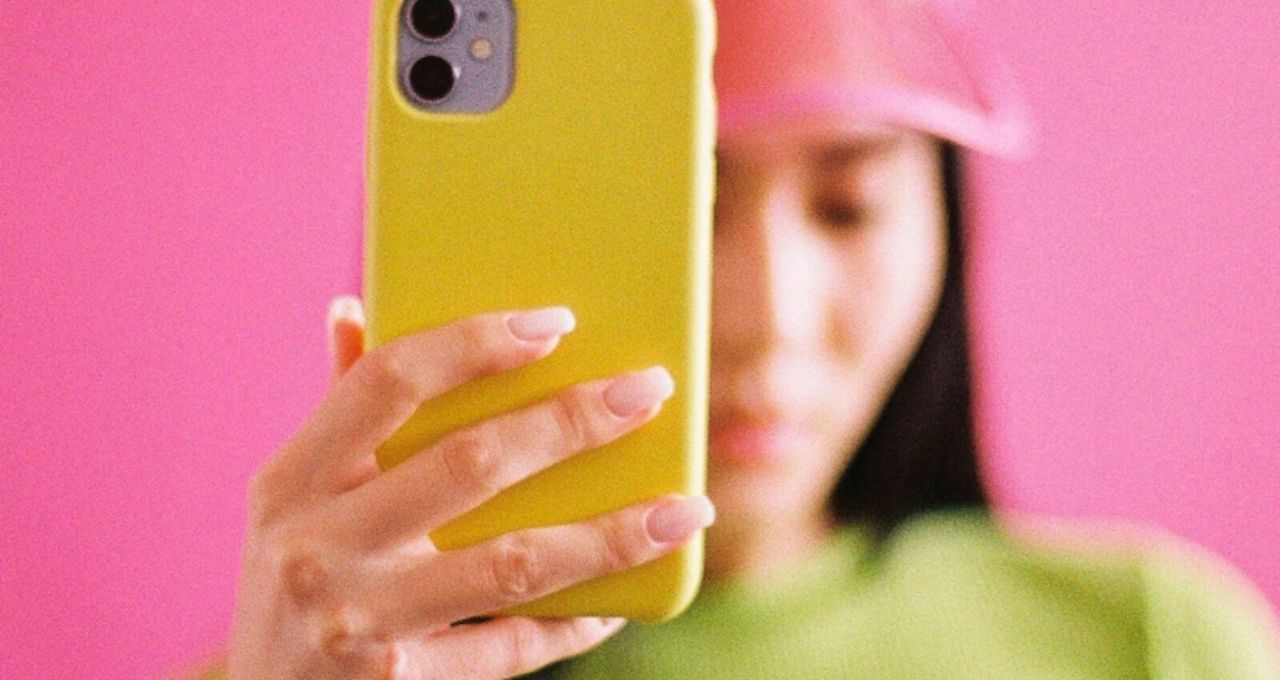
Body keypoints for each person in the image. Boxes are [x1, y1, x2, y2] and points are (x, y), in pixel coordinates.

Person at [202, 0, 1280, 678]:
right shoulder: (316, 666)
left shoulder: (1154, 642)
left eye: (849, 208)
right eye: (686, 211)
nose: (770, 318)